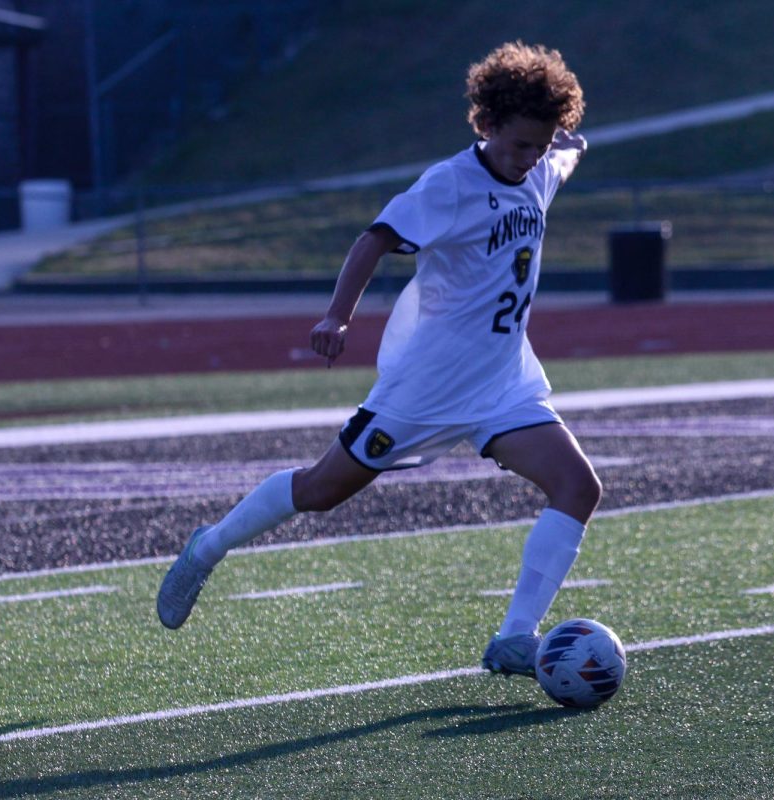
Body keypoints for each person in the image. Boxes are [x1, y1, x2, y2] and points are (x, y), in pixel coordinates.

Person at [157, 41, 600, 679]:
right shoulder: (450, 184)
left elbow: (561, 161)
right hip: (427, 388)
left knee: (578, 486)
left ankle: (514, 636)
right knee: (319, 492)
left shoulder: (539, 165)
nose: (529, 158)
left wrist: (565, 149)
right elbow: (375, 240)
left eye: (539, 146)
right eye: (519, 145)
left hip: (504, 385)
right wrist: (338, 315)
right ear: (489, 124)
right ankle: (209, 547)